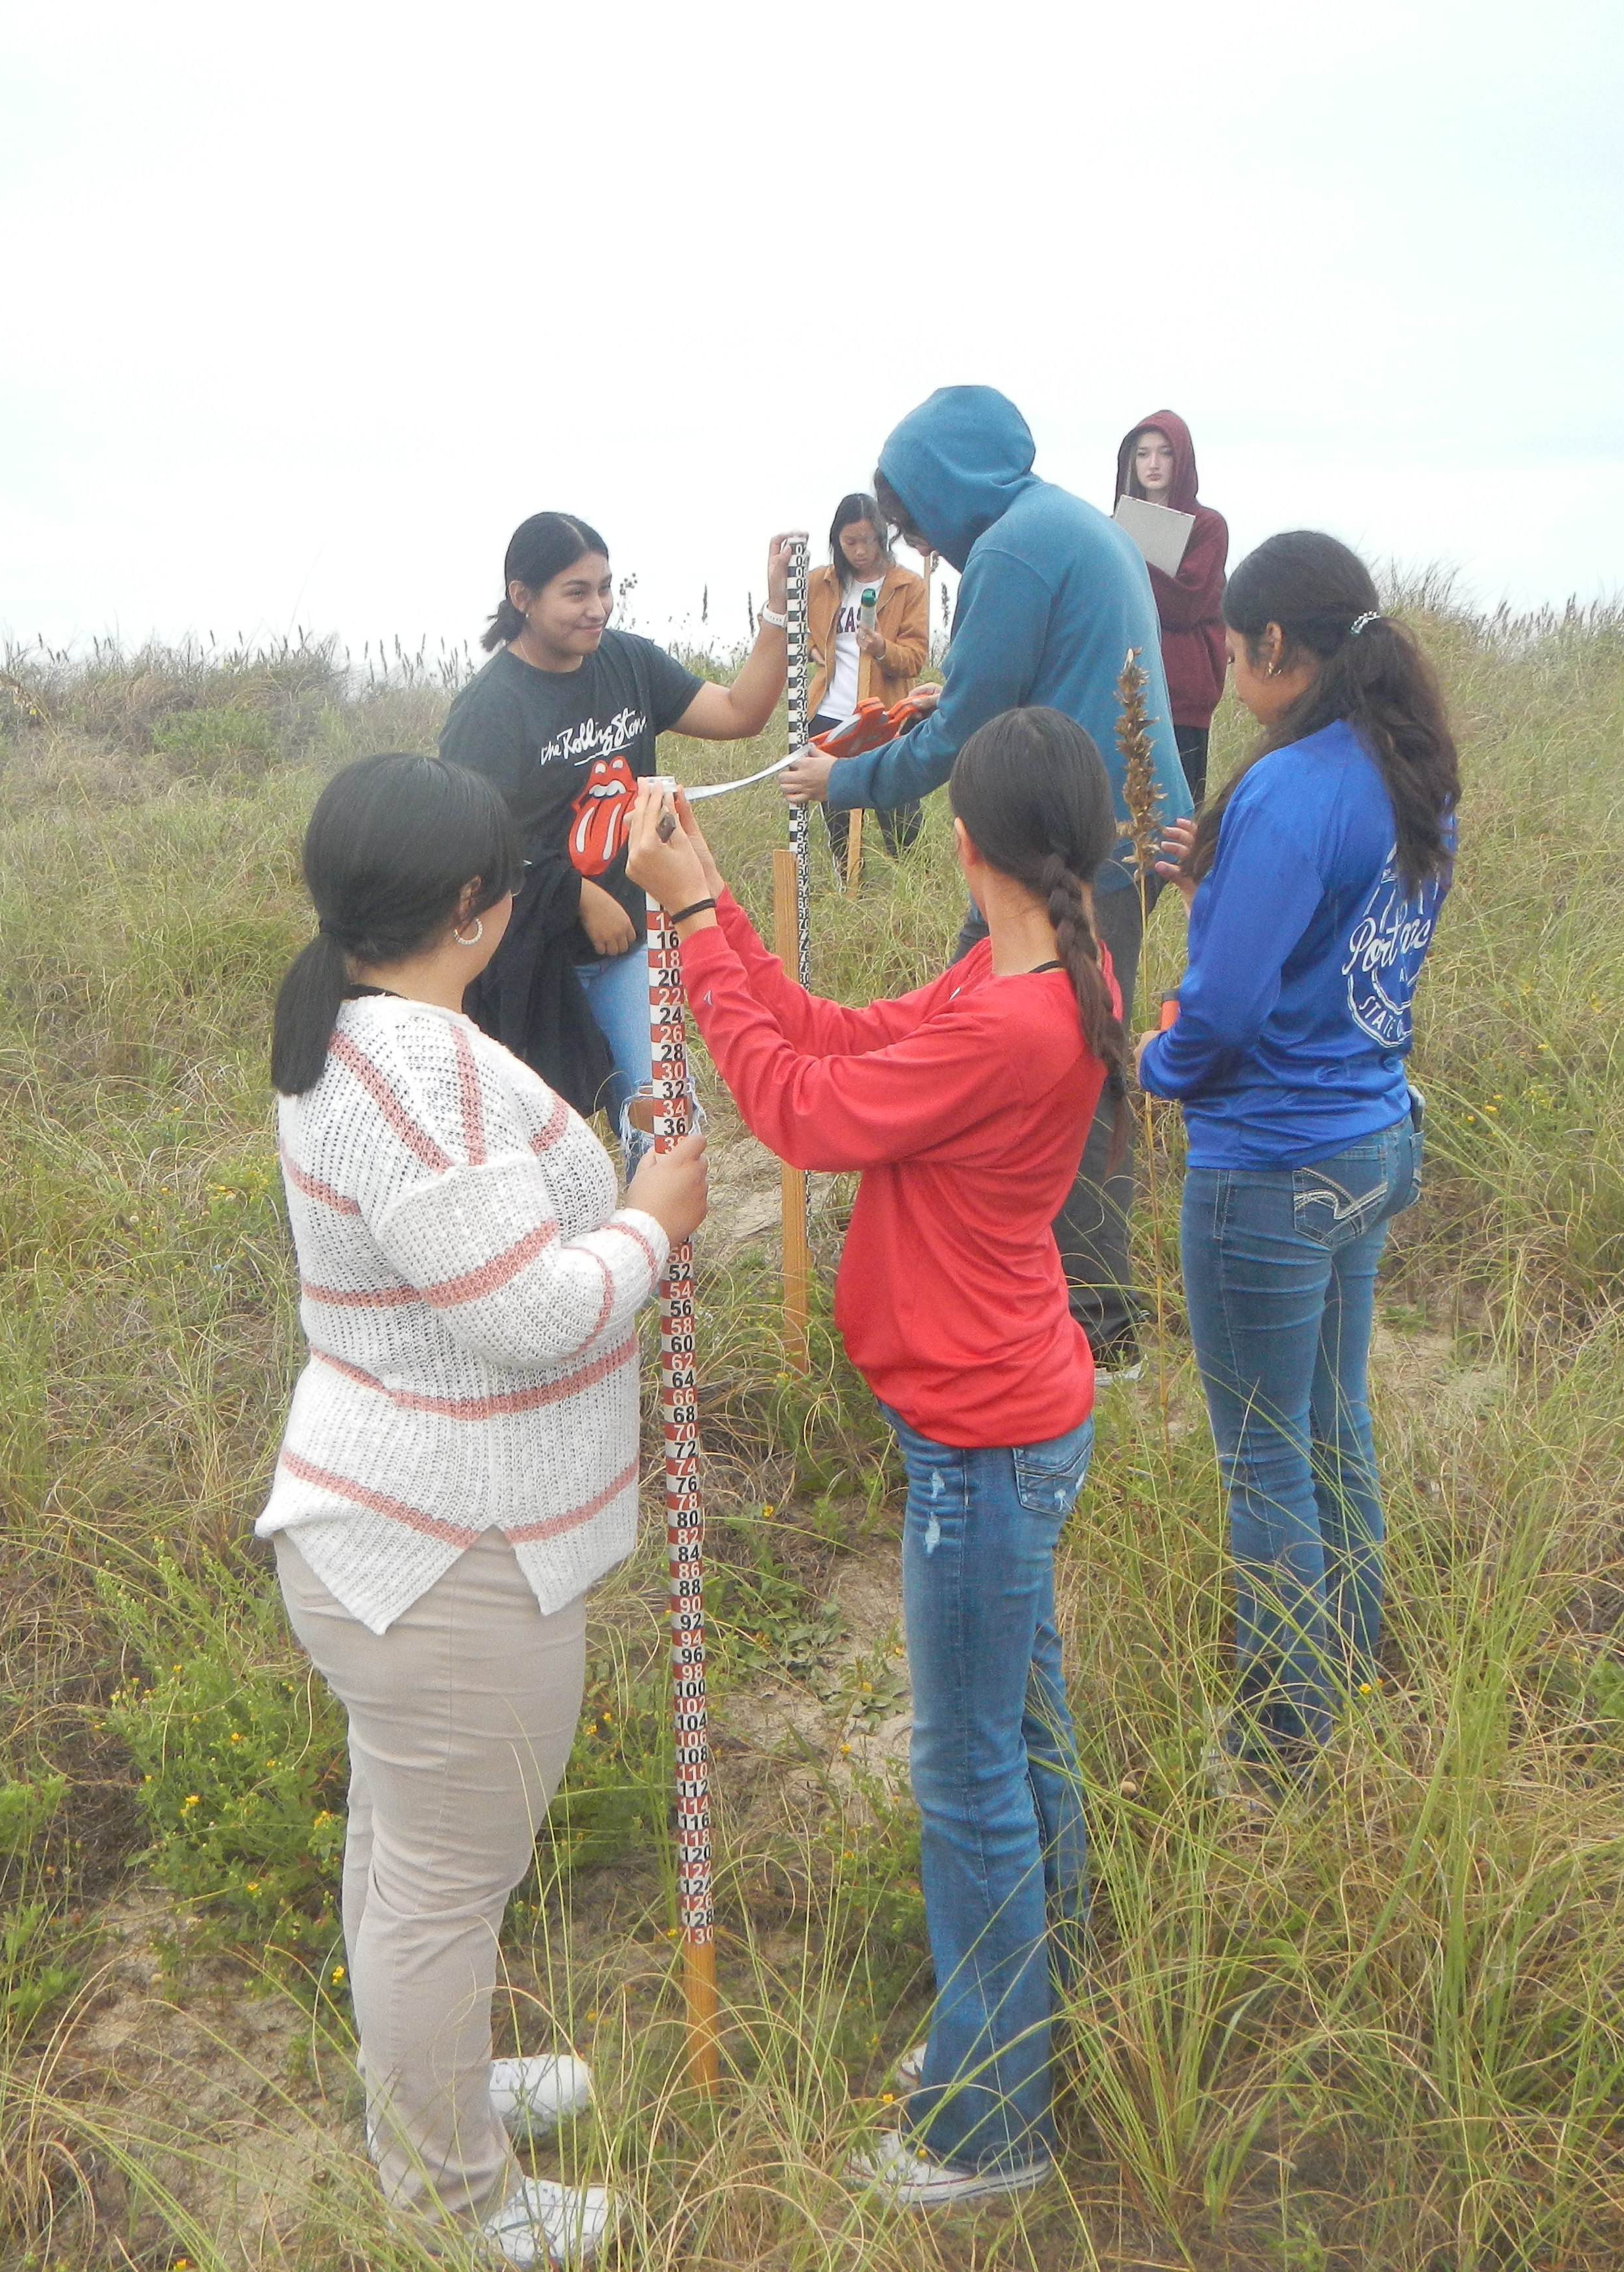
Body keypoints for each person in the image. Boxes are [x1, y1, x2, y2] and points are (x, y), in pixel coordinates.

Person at [627, 705, 1123, 2208]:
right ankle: (1034, 2018)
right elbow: (841, 1043)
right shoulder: (1031, 971)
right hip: (1011, 1411)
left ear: (965, 842)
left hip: (983, 1438)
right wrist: (716, 913)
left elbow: (795, 1109)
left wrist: (697, 914)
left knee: (967, 1767)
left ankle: (988, 2122)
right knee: (1020, 1731)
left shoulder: (1013, 1012)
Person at [261, 752, 710, 2266]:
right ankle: (458, 2199)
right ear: (469, 904)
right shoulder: (416, 1068)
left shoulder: (364, 1030)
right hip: (451, 1544)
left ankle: (430, 2082)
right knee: (441, 1884)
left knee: (409, 1855)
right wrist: (652, 1226)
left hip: (401, 1524)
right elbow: (523, 1313)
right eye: (505, 884)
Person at [779, 386, 1193, 1376]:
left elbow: (965, 742)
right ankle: (1004, 1274)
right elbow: (1007, 687)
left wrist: (843, 779)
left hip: (1069, 848)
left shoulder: (1011, 547)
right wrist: (941, 695)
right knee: (1010, 1043)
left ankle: (1095, 1322)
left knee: (1059, 1069)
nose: (922, 544)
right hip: (1093, 833)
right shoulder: (1061, 525)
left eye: (918, 519)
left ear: (948, 485)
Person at [1138, 532, 1460, 1800]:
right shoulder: (1409, 771)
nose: (1226, 663)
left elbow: (1215, 1019)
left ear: (1272, 648)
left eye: (1232, 644)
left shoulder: (1283, 792)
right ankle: (1353, 1666)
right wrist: (1215, 876)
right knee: (1332, 1424)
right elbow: (1333, 936)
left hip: (1268, 1165)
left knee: (1263, 1453)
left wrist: (1143, 1064)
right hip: (1372, 1140)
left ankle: (1283, 1745)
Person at [439, 511, 796, 1166]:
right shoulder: (492, 708)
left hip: (631, 949)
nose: (597, 608)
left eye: (605, 588)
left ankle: (655, 1265)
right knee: (545, 1151)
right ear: (523, 597)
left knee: (664, 1124)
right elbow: (469, 843)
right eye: (576, 592)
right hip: (531, 966)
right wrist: (575, 893)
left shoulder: (628, 663)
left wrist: (776, 610)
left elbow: (741, 713)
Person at [807, 491, 931, 861]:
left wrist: (880, 648)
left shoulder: (907, 586)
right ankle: (846, 886)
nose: (860, 551)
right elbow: (792, 629)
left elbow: (915, 657)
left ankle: (912, 889)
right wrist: (811, 649)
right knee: (838, 816)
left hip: (885, 715)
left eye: (868, 541)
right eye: (850, 542)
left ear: (883, 536)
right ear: (837, 542)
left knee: (899, 813)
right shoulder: (820, 583)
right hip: (830, 715)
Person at [1114, 410, 1231, 797]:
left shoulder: (1207, 526)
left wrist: (1130, 563)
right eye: (1143, 453)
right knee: (1126, 814)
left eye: (1165, 453)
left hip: (1183, 696)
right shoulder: (1115, 526)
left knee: (1179, 813)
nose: (1153, 464)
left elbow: (1187, 605)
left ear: (1182, 460)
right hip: (1127, 688)